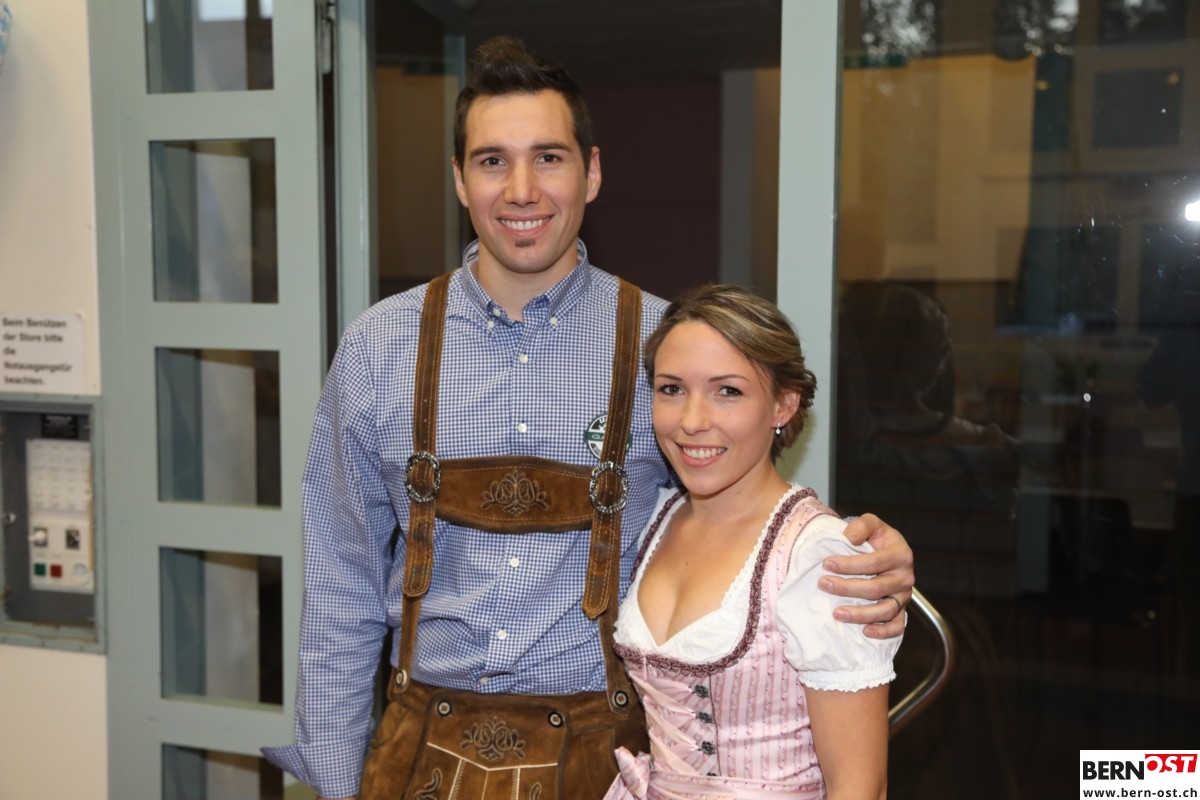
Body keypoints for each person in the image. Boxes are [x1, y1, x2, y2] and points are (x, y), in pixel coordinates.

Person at [264, 36, 913, 800]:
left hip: (606, 765)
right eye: (492, 161)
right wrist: (339, 783)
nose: (522, 190)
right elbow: (339, 587)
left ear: (592, 172)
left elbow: (744, 512)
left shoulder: (666, 349)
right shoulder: (378, 348)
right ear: (460, 180)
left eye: (548, 157)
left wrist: (855, 554)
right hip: (418, 760)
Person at [605, 284, 898, 800]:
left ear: (784, 404)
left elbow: (860, 785)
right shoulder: (655, 518)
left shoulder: (817, 554)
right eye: (671, 389)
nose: (692, 421)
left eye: (728, 392)